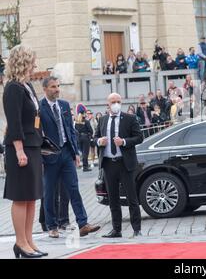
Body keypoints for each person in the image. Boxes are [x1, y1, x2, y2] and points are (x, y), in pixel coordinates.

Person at [40, 76, 100, 238]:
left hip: (67, 153)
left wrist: (76, 153)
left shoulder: (64, 105)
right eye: (53, 87)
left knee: (73, 188)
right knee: (50, 192)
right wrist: (41, 155)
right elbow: (37, 133)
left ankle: (83, 223)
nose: (57, 89)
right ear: (45, 89)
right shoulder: (39, 107)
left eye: (58, 86)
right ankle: (52, 226)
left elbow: (71, 131)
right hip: (49, 155)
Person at [3, 45, 46, 258]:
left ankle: (29, 240)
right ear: (22, 62)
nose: (35, 65)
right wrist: (19, 150)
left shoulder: (27, 85)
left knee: (31, 196)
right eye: (31, 61)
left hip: (33, 146)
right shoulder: (12, 88)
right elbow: (15, 122)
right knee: (21, 196)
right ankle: (20, 242)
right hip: (20, 149)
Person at [95, 93, 144, 238]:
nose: (116, 104)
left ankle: (137, 229)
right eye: (113, 102)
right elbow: (95, 137)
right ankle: (116, 229)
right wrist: (99, 142)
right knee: (113, 199)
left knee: (132, 198)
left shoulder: (129, 118)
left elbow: (139, 137)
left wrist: (124, 142)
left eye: (118, 101)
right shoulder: (103, 120)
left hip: (125, 163)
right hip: (109, 164)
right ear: (108, 104)